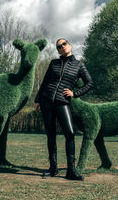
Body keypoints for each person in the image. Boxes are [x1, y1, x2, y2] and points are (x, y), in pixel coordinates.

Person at [34, 38, 93, 181]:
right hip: (46, 101)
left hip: (62, 102)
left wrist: (75, 93)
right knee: (51, 134)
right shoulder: (54, 63)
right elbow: (45, 82)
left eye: (64, 44)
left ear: (70, 46)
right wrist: (37, 100)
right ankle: (53, 168)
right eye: (59, 46)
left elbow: (89, 83)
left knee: (70, 133)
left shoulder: (79, 65)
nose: (62, 47)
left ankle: (71, 170)